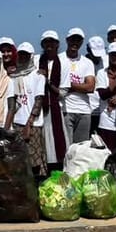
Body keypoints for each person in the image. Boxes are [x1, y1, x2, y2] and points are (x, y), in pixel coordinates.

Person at [11, 42, 47, 178]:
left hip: (33, 124)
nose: (23, 58)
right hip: (17, 122)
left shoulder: (38, 76)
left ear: (31, 56)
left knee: (35, 159)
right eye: (21, 55)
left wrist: (29, 123)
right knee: (19, 160)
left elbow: (39, 100)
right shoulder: (15, 75)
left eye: (26, 55)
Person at [56, 28, 96, 144]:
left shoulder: (87, 62)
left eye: (78, 40)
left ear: (82, 42)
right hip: (64, 109)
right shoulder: (58, 59)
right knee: (65, 146)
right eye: (72, 39)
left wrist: (67, 85)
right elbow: (54, 83)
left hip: (84, 110)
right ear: (67, 40)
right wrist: (80, 86)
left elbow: (90, 87)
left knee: (81, 148)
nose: (75, 43)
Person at [37, 31, 70, 169]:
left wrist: (47, 82)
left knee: (57, 143)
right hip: (40, 108)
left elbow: (62, 93)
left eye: (52, 42)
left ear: (57, 44)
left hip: (56, 108)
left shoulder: (63, 63)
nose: (49, 45)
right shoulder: (37, 60)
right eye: (46, 42)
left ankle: (58, 171)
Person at [94, 42, 116, 151]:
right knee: (107, 154)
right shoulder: (102, 73)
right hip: (106, 122)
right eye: (112, 54)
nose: (115, 57)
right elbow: (103, 94)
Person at [85, 36, 107, 132]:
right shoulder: (83, 63)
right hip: (88, 110)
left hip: (103, 110)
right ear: (88, 50)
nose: (97, 57)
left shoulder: (107, 63)